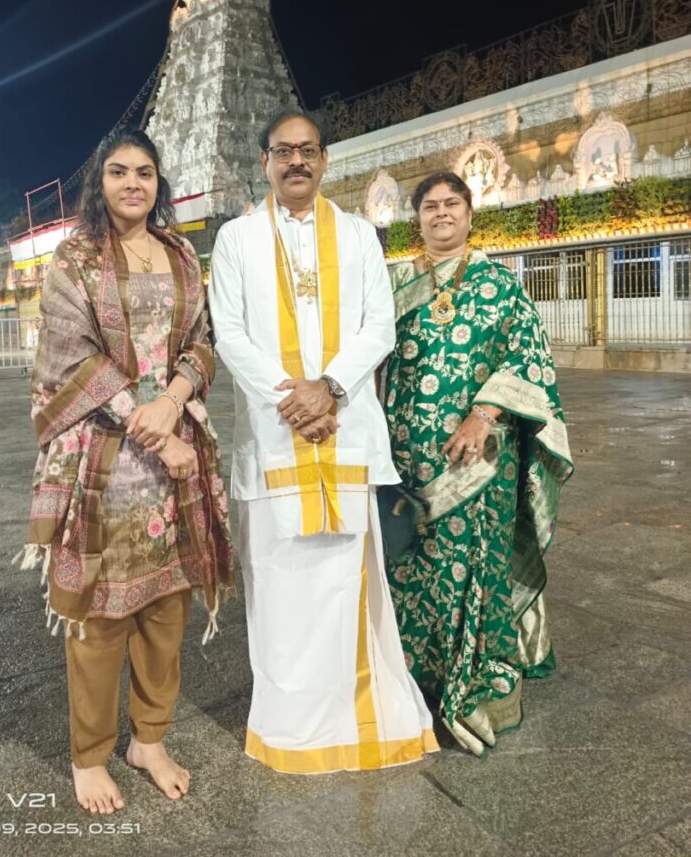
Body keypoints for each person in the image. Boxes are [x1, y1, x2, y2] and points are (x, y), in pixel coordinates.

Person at [208, 110, 437, 773]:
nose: (296, 162)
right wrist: (294, 398)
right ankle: (285, 723)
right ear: (265, 162)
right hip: (276, 440)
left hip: (341, 433)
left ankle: (358, 717)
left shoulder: (360, 235)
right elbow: (229, 334)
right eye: (283, 151)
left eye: (307, 151)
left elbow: (379, 327)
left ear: (325, 160)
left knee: (344, 582)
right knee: (278, 585)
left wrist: (327, 388)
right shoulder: (236, 240)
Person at [15, 128, 233, 811]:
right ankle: (88, 755)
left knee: (167, 606)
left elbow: (202, 340)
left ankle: (149, 738)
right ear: (100, 183)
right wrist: (148, 422)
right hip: (103, 459)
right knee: (100, 617)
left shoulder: (180, 255)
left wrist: (172, 402)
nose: (132, 183)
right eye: (117, 171)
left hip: (173, 456)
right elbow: (67, 357)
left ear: (158, 182)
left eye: (143, 172)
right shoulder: (73, 259)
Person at [384, 172, 572, 756]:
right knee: (411, 568)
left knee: (472, 566)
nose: (441, 214)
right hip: (407, 457)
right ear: (417, 218)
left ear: (469, 214)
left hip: (479, 458)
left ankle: (479, 686)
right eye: (431, 206)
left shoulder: (500, 284)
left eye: (452, 205)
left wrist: (483, 414)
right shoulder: (395, 284)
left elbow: (528, 357)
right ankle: (416, 686)